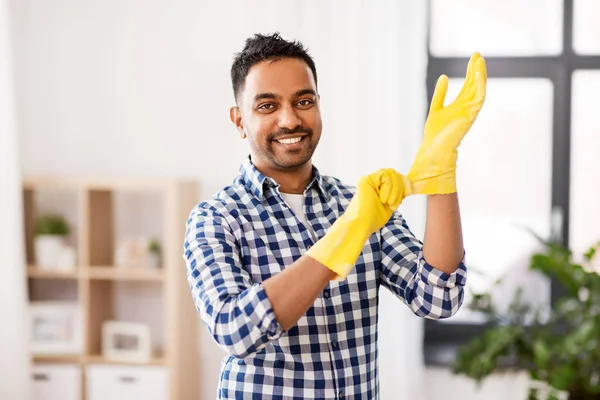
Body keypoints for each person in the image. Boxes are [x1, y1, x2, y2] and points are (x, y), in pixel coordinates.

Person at [183, 32, 487, 399]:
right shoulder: (215, 219)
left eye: (303, 100)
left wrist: (440, 176)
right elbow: (235, 329)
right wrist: (346, 235)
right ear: (239, 121)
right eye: (267, 106)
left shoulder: (361, 205)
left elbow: (438, 298)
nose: (289, 119)